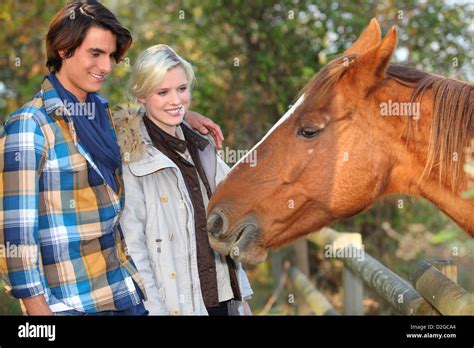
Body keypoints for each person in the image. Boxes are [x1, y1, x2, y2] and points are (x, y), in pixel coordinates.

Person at [0, 0, 223, 316]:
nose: (106, 66)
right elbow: (14, 240)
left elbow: (143, 117)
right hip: (73, 304)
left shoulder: (103, 116)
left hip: (129, 295)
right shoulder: (30, 127)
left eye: (110, 55)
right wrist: (40, 317)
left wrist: (183, 115)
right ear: (64, 50)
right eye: (95, 54)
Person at [115, 44, 253, 315]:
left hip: (224, 302)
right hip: (177, 306)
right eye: (162, 92)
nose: (176, 101)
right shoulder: (133, 156)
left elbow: (226, 222)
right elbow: (134, 247)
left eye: (182, 89)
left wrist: (242, 299)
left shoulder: (202, 147)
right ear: (141, 96)